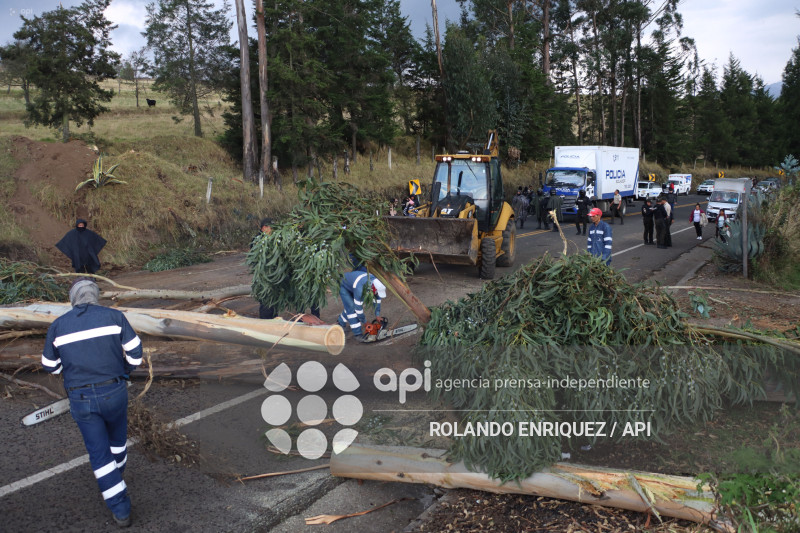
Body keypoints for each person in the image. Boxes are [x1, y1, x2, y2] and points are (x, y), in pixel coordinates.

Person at [41, 279, 142, 527]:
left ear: (73, 299)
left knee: (99, 453)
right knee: (117, 442)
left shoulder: (58, 325)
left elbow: (50, 366)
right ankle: (115, 476)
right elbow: (136, 355)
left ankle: (120, 508)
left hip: (81, 397)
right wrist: (124, 370)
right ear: (95, 296)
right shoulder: (115, 317)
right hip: (115, 390)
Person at [337, 271, 387, 342]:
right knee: (351, 307)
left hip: (352, 283)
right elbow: (358, 309)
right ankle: (357, 334)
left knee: (349, 305)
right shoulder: (360, 289)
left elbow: (377, 300)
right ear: (373, 288)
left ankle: (340, 323)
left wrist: (377, 315)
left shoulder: (376, 283)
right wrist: (365, 322)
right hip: (343, 285)